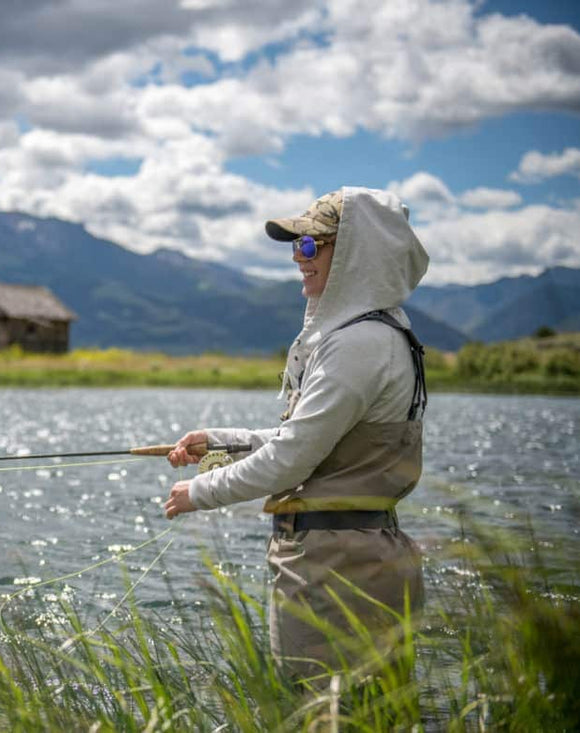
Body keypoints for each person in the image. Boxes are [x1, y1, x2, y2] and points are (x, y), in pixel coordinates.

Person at [163, 187, 429, 685]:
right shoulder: (371, 335)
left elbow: (293, 458)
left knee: (320, 711)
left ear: (353, 255)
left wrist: (198, 491)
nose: (297, 257)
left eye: (311, 245)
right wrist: (217, 443)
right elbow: (315, 442)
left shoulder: (359, 345)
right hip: (348, 559)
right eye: (296, 245)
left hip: (338, 570)